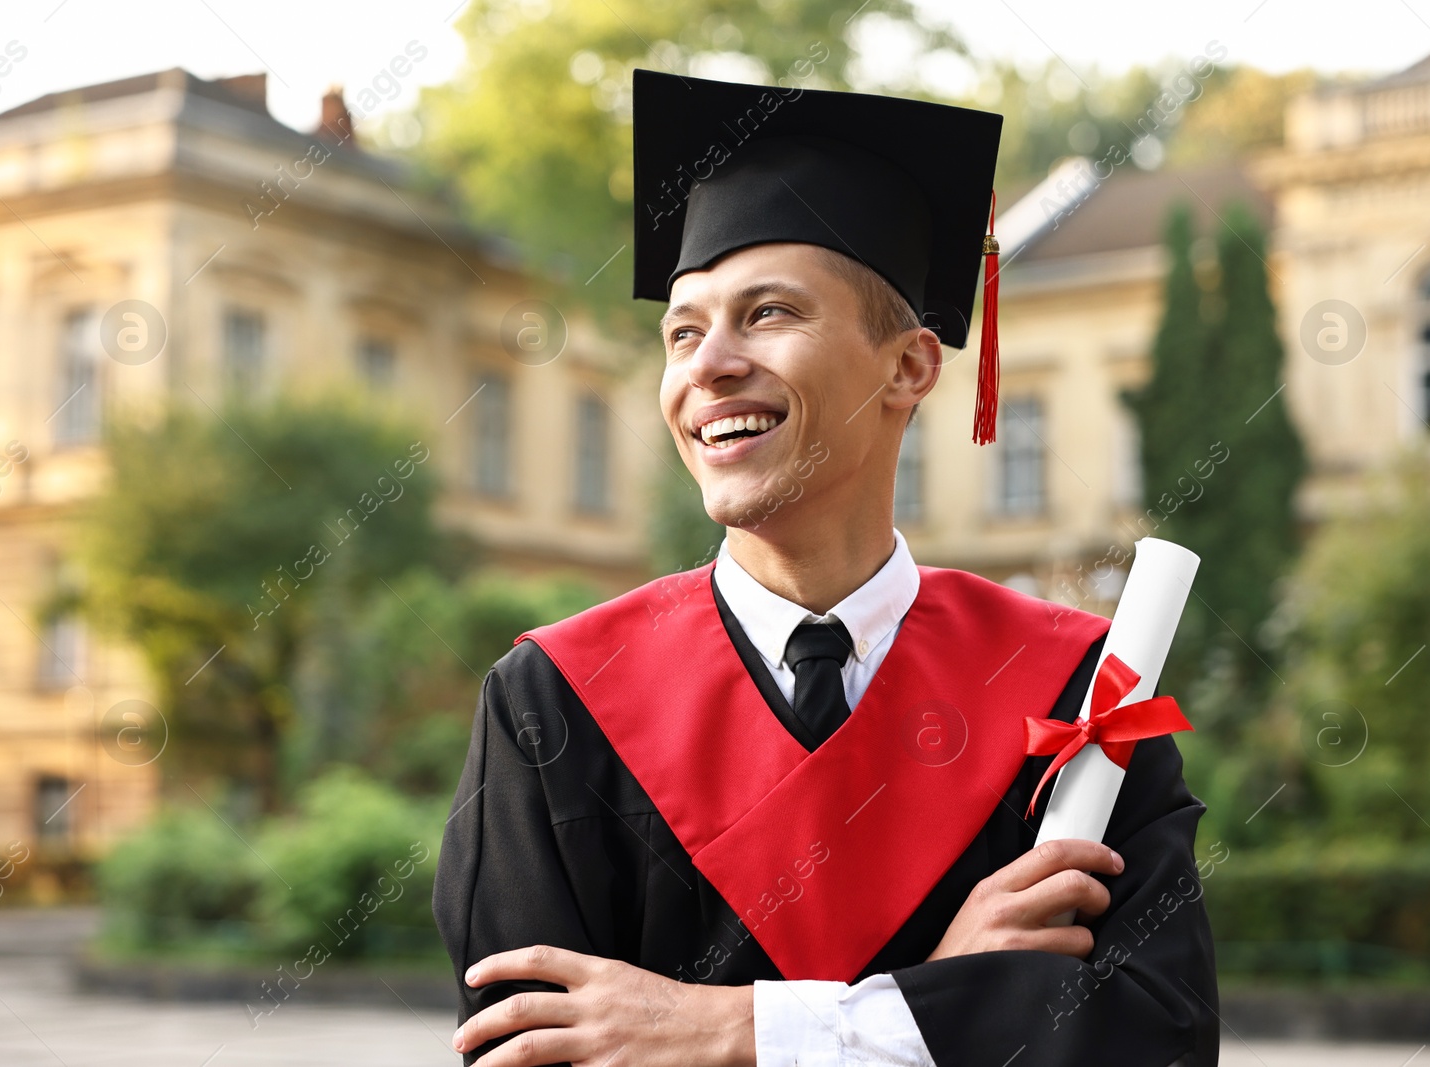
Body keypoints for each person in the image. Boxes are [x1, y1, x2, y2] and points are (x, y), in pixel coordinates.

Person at [432, 68, 1220, 1067]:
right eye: (682, 329)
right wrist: (947, 1005)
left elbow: (1154, 1038)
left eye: (766, 313)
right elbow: (527, 1046)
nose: (707, 362)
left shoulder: (1082, 693)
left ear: (909, 367)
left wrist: (728, 1027)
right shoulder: (552, 703)